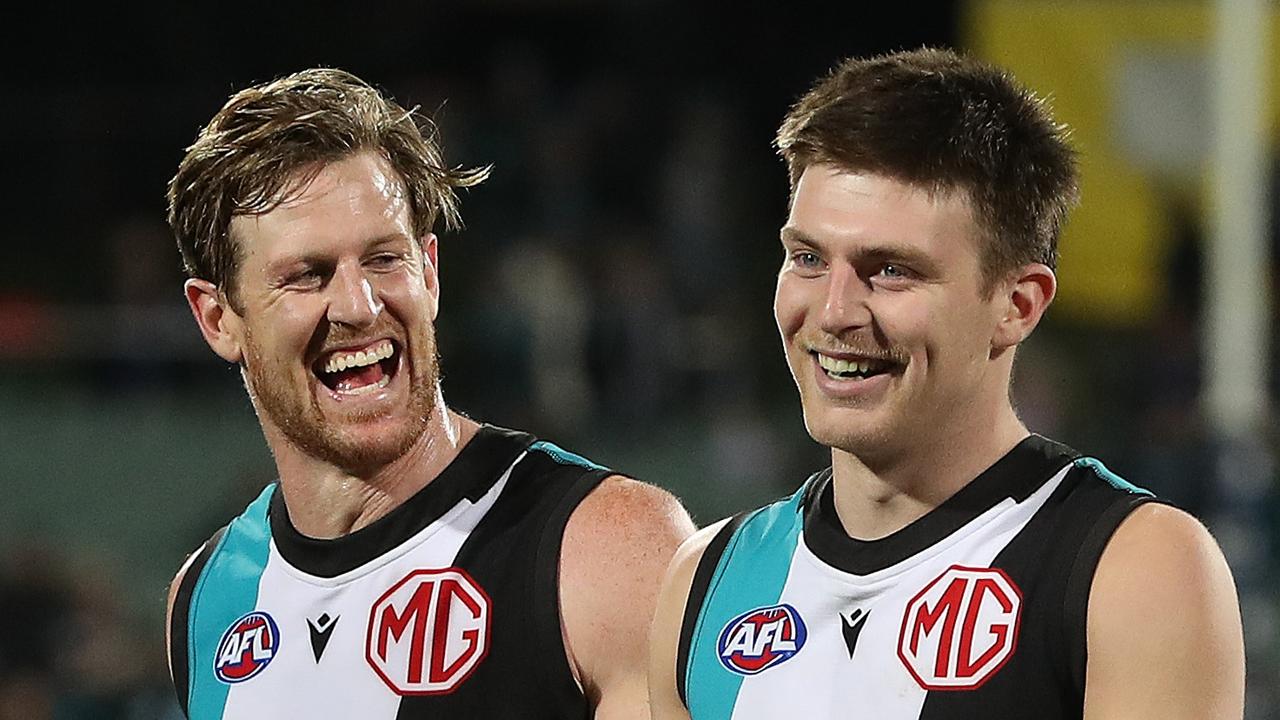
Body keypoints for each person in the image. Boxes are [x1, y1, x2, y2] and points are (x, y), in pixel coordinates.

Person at [648, 48, 1244, 720]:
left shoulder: (1133, 571)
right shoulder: (706, 584)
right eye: (808, 258)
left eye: (892, 270)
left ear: (1016, 306)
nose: (835, 310)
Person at [163, 68, 694, 720]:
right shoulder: (208, 596)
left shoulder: (607, 549)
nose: (358, 306)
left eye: (385, 259)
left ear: (430, 273)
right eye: (307, 275)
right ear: (218, 319)